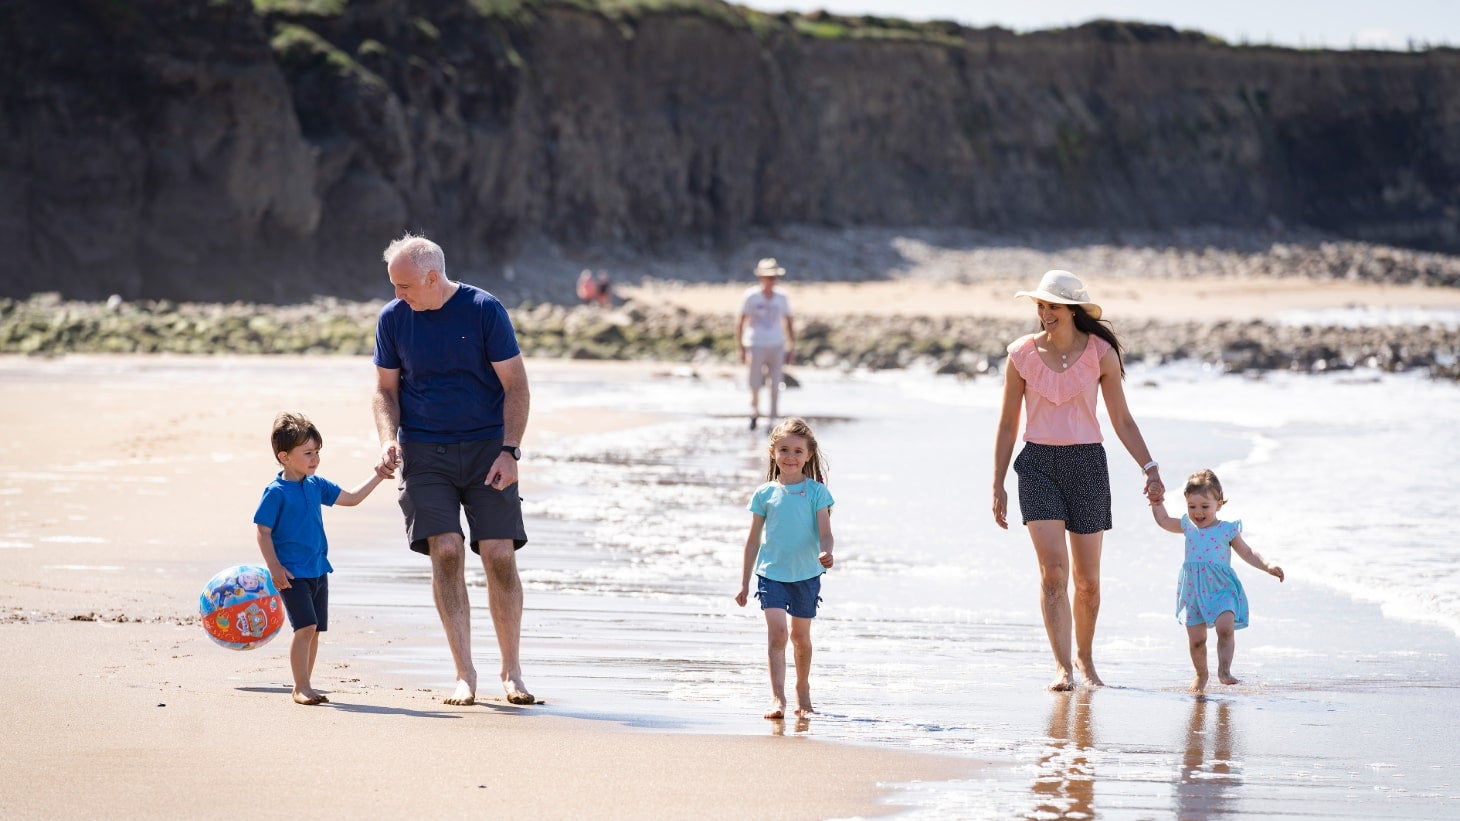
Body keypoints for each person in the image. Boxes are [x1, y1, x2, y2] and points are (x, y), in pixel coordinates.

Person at [372, 233, 536, 706]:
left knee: (499, 553)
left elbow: (516, 386)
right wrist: (387, 438)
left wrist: (510, 450)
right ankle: (465, 673)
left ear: (431, 277)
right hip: (425, 451)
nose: (397, 294)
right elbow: (385, 391)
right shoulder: (393, 319)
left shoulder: (484, 310)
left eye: (403, 285)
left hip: (489, 449)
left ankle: (512, 669)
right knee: (445, 551)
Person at [992, 270, 1164, 691]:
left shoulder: (1101, 353)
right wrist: (997, 483)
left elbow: (1121, 419)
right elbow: (1007, 424)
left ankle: (1085, 658)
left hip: (1087, 464)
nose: (1044, 313)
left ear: (1071, 310)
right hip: (1037, 466)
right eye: (1041, 306)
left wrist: (1150, 468)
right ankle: (1062, 666)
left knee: (1087, 582)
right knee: (1053, 572)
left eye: (1052, 306)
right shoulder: (1020, 355)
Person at [253, 412, 392, 705]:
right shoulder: (275, 492)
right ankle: (300, 687)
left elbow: (352, 498)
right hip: (291, 574)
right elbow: (263, 532)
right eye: (307, 453)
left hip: (318, 569)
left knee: (315, 631)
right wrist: (275, 568)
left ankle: (306, 684)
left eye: (317, 452)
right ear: (285, 457)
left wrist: (379, 475)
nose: (315, 458)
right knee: (304, 628)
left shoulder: (316, 485)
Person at [735, 417, 835, 720]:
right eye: (784, 450)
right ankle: (777, 698)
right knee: (777, 634)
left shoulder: (817, 492)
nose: (790, 457)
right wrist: (743, 583)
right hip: (771, 573)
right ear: (772, 452)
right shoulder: (765, 493)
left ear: (808, 455)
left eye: (797, 451)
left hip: (806, 573)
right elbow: (753, 540)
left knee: (800, 638)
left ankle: (802, 689)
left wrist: (826, 551)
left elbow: (826, 532)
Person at [1150, 469, 1284, 693]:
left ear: (1219, 504)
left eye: (1205, 506)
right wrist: (1156, 501)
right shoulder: (1187, 526)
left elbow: (1248, 553)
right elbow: (1163, 520)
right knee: (1197, 641)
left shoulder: (1227, 530)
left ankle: (1224, 671)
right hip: (1193, 590)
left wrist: (1268, 566)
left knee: (1225, 627)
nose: (1198, 512)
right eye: (1192, 506)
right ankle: (1201, 674)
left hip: (1222, 588)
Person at [736, 257, 795, 431]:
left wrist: (791, 347)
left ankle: (773, 419)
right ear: (761, 277)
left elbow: (789, 322)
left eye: (775, 277)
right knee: (754, 382)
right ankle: (754, 411)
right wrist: (741, 347)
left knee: (776, 383)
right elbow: (740, 322)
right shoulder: (751, 296)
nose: (772, 281)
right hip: (755, 343)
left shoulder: (782, 297)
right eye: (769, 277)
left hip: (777, 344)